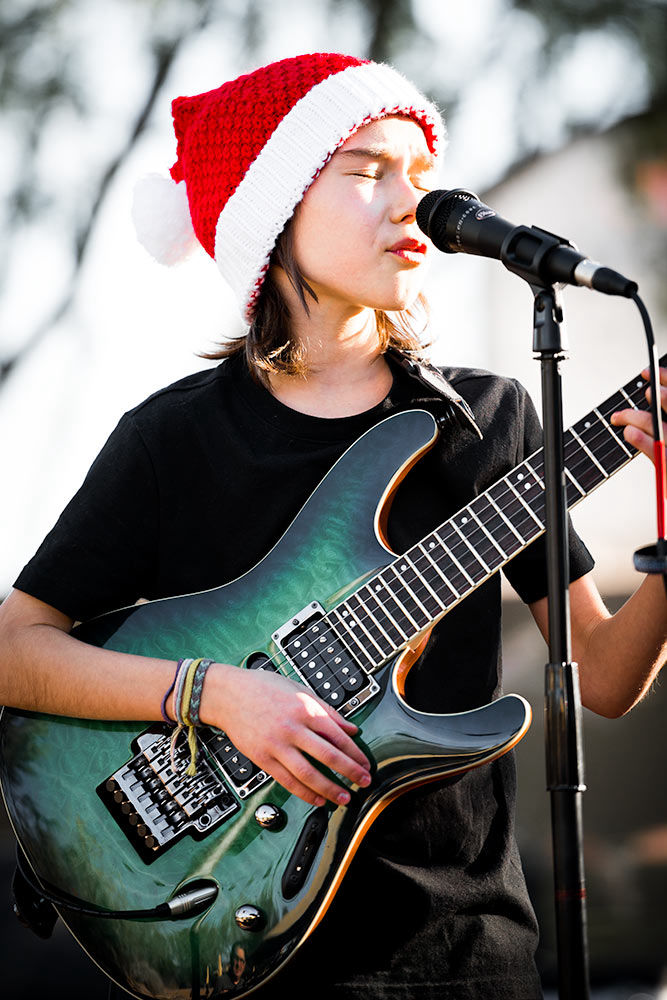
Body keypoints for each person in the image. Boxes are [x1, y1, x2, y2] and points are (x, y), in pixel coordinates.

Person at [0, 52, 665, 1000]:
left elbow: (599, 677)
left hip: (470, 960)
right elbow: (14, 649)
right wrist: (216, 695)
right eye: (366, 171)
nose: (412, 204)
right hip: (256, 953)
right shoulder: (173, 439)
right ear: (275, 217)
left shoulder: (490, 419)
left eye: (420, 175)